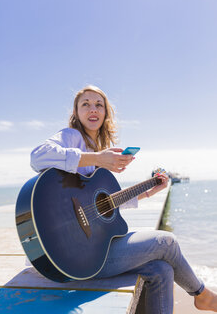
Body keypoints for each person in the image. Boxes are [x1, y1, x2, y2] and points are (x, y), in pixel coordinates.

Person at [30, 85, 217, 313]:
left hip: (94, 250)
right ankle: (202, 295)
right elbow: (37, 156)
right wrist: (97, 158)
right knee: (167, 242)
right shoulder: (71, 137)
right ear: (76, 113)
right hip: (76, 256)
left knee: (161, 270)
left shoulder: (98, 153)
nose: (93, 109)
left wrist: (149, 191)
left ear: (106, 113)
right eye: (85, 104)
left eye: (99, 105)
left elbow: (104, 205)